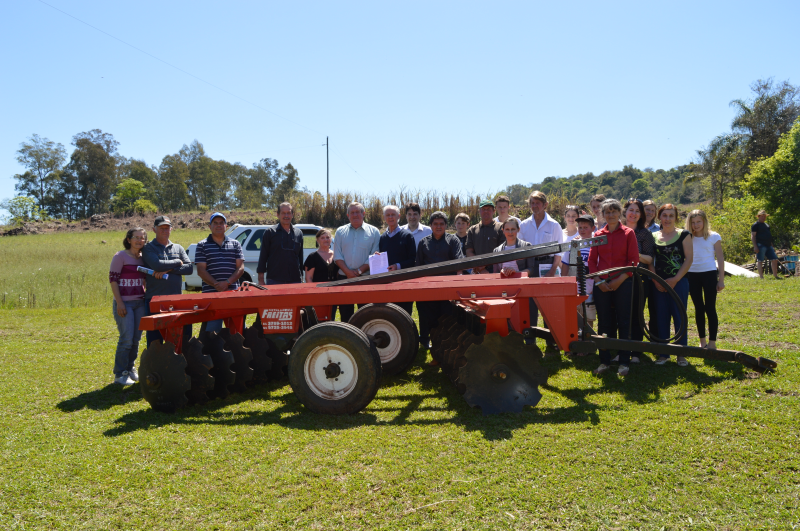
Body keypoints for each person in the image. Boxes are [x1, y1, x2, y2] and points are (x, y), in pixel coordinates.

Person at [587, 199, 639, 376]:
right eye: (607, 212)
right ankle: (604, 361)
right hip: (602, 284)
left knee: (624, 321)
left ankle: (624, 361)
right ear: (602, 214)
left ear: (619, 213)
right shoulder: (598, 235)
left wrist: (620, 279)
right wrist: (599, 281)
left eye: (613, 212)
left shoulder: (628, 233)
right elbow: (592, 261)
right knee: (604, 322)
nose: (610, 215)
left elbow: (633, 260)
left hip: (623, 283)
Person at [518, 191, 564, 354]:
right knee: (529, 304)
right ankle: (530, 340)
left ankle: (552, 341)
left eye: (538, 203)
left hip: (548, 264)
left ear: (545, 205)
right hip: (530, 266)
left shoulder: (554, 225)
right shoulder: (523, 225)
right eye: (532, 202)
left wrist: (553, 270)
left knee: (549, 304)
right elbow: (520, 249)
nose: (534, 205)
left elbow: (559, 251)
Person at [650, 204, 693, 366]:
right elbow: (650, 262)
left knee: (679, 317)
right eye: (664, 215)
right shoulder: (652, 236)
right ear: (659, 217)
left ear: (675, 217)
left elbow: (689, 259)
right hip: (659, 283)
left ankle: (681, 353)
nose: (667, 219)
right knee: (661, 317)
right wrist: (655, 280)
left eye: (671, 215)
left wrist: (675, 279)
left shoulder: (684, 234)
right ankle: (664, 354)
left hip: (679, 282)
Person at [142, 216, 193, 350]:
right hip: (154, 300)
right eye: (161, 228)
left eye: (167, 227)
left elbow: (189, 268)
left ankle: (179, 365)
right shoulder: (148, 248)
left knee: (179, 337)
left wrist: (169, 269)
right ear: (154, 229)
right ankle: (155, 369)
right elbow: (157, 265)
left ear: (171, 229)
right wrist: (178, 262)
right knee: (155, 340)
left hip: (176, 300)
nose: (165, 230)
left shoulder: (178, 248)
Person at [109, 227, 153, 385]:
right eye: (136, 237)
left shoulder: (144, 258)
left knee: (136, 339)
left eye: (142, 238)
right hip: (125, 303)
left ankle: (130, 368)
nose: (139, 240)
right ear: (128, 239)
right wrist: (120, 302)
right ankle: (120, 374)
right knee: (126, 339)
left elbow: (146, 279)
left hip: (139, 302)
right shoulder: (120, 256)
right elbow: (113, 280)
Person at [416, 211, 464, 352]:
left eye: (441, 224)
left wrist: (459, 275)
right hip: (428, 288)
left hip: (447, 288)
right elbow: (418, 266)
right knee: (429, 316)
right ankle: (427, 341)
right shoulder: (423, 243)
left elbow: (459, 260)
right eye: (435, 224)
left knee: (447, 317)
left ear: (446, 225)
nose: (438, 226)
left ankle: (446, 344)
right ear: (430, 225)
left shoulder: (453, 241)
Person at [618, 198, 655, 364]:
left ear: (641, 215)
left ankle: (636, 353)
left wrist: (633, 253)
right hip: (619, 279)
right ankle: (622, 349)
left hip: (639, 280)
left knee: (636, 315)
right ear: (625, 212)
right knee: (621, 314)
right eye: (631, 210)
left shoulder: (644, 233)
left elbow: (649, 259)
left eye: (637, 211)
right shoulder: (617, 231)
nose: (633, 214)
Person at [195, 212, 245, 333]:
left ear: (226, 226)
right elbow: (201, 270)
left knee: (237, 330)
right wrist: (216, 284)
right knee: (212, 332)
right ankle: (212, 351)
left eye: (221, 223)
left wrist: (227, 282)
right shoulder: (202, 245)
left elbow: (240, 267)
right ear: (210, 226)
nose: (218, 225)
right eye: (215, 223)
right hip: (212, 295)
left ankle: (235, 351)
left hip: (232, 293)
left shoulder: (235, 244)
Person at [334, 202, 381, 322]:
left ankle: (365, 338)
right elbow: (337, 256)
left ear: (363, 214)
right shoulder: (340, 231)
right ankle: (347, 338)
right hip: (344, 278)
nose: (355, 215)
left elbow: (374, 256)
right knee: (345, 313)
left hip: (365, 278)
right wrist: (348, 272)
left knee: (365, 312)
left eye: (358, 212)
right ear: (348, 215)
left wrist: (359, 271)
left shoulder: (374, 232)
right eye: (352, 212)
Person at [686, 210, 725, 349]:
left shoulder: (714, 236)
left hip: (709, 274)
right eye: (693, 222)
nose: (696, 225)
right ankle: (702, 341)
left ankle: (712, 342)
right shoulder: (687, 237)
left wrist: (721, 279)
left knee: (710, 307)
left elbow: (720, 257)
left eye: (699, 222)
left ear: (704, 221)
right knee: (698, 308)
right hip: (692, 274)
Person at [377, 205, 416, 315]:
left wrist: (397, 266)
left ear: (398, 216)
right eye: (388, 215)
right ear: (384, 217)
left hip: (403, 282)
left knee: (404, 314)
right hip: (386, 283)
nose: (390, 217)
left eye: (393, 214)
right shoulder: (382, 237)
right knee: (388, 314)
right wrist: (377, 258)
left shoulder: (407, 236)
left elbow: (413, 260)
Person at [257, 202, 304, 285]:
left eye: (288, 213)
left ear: (292, 214)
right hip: (274, 280)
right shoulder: (270, 232)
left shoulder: (298, 233)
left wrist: (301, 277)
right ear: (278, 215)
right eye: (283, 213)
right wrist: (261, 279)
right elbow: (263, 257)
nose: (286, 216)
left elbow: (300, 258)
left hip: (295, 280)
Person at [304, 228, 340, 320]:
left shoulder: (336, 255)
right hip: (318, 293)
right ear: (317, 240)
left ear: (331, 239)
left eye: (328, 237)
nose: (326, 240)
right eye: (323, 237)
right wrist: (314, 293)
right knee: (319, 318)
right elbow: (308, 278)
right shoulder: (312, 257)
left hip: (333, 293)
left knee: (331, 317)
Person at [465, 199, 504, 274]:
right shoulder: (472, 230)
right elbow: (469, 251)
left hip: (497, 271)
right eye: (483, 209)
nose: (486, 211)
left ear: (494, 211)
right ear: (479, 211)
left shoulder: (501, 228)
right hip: (477, 271)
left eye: (489, 209)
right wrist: (480, 267)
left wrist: (484, 265)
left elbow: (503, 250)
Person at [751, 210, 781, 280]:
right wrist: (755, 246)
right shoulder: (756, 225)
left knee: (774, 259)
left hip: (768, 245)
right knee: (760, 260)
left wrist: (772, 246)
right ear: (758, 216)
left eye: (764, 216)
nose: (763, 217)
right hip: (760, 245)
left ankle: (775, 275)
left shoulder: (766, 225)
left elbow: (768, 236)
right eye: (762, 216)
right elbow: (753, 236)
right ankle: (761, 277)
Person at [560, 205, 580, 269]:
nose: (571, 218)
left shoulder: (582, 233)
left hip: (578, 270)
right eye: (568, 216)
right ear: (565, 217)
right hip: (561, 271)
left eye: (574, 216)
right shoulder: (559, 233)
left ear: (578, 217)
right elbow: (557, 255)